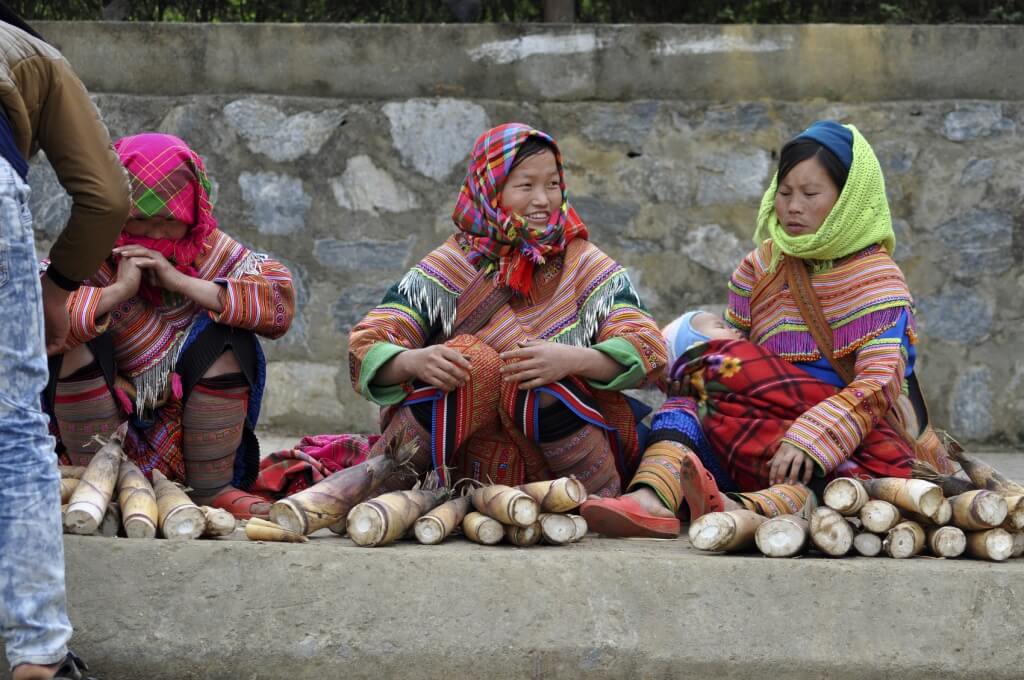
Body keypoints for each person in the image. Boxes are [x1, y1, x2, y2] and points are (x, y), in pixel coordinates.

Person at [583, 121, 953, 538]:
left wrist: (811, 436)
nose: (793, 206)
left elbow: (880, 381)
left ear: (849, 199)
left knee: (830, 480)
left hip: (843, 441)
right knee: (689, 407)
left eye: (811, 194)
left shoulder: (878, 282)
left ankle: (733, 507)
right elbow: (735, 362)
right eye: (785, 192)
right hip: (754, 428)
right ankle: (649, 502)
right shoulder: (759, 269)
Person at [348, 123, 667, 494]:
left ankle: (597, 500)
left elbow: (647, 346)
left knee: (538, 379)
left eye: (552, 184)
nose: (543, 200)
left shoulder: (583, 264)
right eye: (526, 186)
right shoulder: (452, 265)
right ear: (491, 191)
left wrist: (572, 360)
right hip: (461, 461)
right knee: (470, 360)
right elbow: (366, 346)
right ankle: (383, 492)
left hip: (558, 464)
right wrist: (414, 362)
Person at [44, 132, 295, 520]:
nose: (156, 235)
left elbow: (278, 304)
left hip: (187, 437)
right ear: (117, 211)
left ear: (193, 213)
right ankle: (95, 484)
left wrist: (181, 282)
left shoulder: (213, 251)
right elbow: (36, 317)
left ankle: (213, 489)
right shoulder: (87, 253)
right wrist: (119, 290)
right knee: (73, 339)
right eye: (141, 221)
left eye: (170, 222)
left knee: (229, 335)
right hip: (105, 425)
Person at [0, 6, 130, 679]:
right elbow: (106, 196)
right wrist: (60, 286)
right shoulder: (25, 47)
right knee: (13, 428)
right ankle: (36, 657)